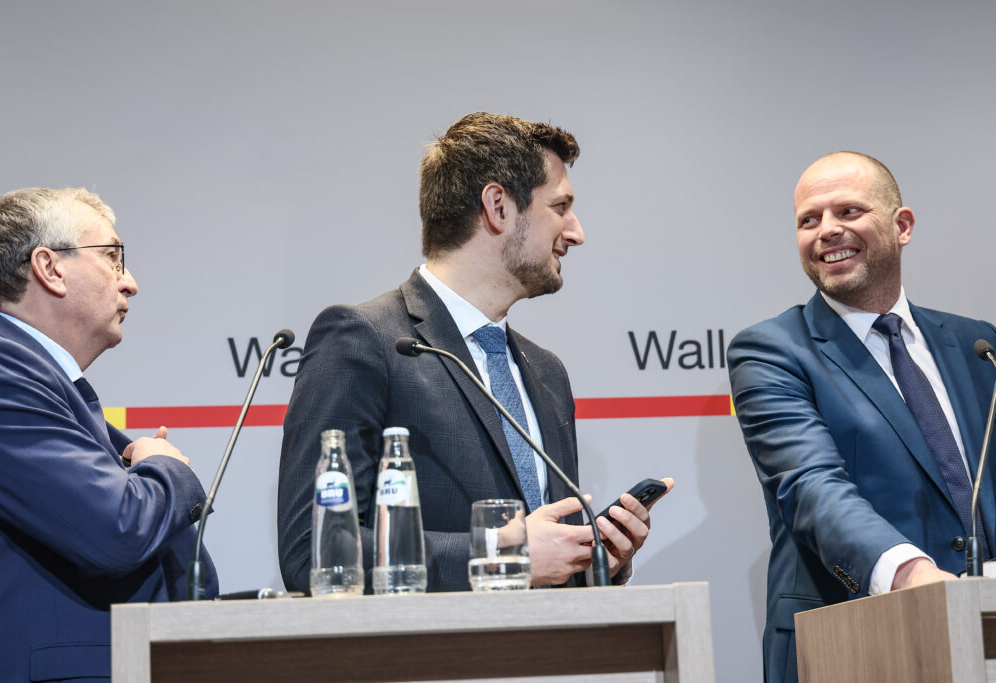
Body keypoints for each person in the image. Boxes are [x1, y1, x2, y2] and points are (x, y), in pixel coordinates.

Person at [279, 112, 669, 593]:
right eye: (560, 207)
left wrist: (593, 560)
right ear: (498, 207)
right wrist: (502, 554)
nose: (576, 232)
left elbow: (546, 566)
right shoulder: (362, 340)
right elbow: (311, 549)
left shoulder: (547, 372)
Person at [727, 151, 996, 683]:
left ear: (902, 226)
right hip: (850, 641)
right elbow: (811, 487)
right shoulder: (770, 350)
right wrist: (914, 577)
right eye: (809, 220)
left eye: (848, 211)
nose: (826, 230)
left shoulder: (977, 345)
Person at [0, 187, 217, 681]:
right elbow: (118, 530)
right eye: (111, 257)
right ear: (49, 268)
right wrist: (163, 465)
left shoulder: (38, 379)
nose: (130, 283)